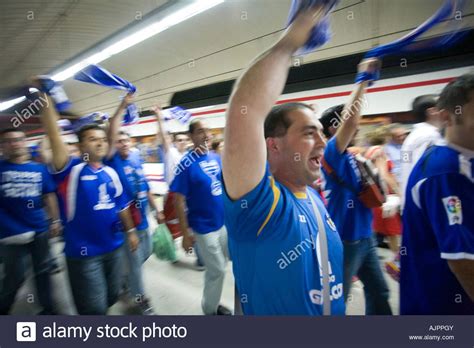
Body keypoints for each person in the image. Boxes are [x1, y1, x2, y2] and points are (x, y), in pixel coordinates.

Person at [222, 5, 346, 315]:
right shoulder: (263, 204)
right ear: (273, 146)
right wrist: (290, 42)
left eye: (321, 132)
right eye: (308, 133)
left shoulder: (314, 198)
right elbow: (243, 111)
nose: (322, 141)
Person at [36, 84, 139, 315]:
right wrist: (44, 95)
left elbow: (121, 206)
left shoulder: (110, 173)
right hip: (83, 255)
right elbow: (53, 133)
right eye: (93, 139)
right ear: (81, 145)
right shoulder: (69, 170)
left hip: (113, 248)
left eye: (102, 139)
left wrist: (130, 231)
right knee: (94, 309)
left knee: (111, 297)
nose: (100, 142)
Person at [400, 74, 474, 314]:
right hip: (444, 307)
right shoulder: (446, 172)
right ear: (446, 117)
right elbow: (461, 260)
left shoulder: (460, 159)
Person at [319, 75, 392, 314]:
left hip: (366, 237)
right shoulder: (332, 153)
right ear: (334, 128)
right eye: (352, 122)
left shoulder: (352, 156)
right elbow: (350, 121)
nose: (358, 126)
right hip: (346, 240)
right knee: (338, 299)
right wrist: (362, 82)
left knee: (379, 291)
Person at [104, 94, 160, 315]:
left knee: (146, 253)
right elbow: (112, 130)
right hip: (126, 220)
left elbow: (145, 186)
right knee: (136, 261)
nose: (123, 143)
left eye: (126, 140)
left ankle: (124, 280)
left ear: (131, 142)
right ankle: (140, 298)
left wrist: (157, 209)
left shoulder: (136, 158)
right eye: (118, 141)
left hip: (143, 216)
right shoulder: (111, 159)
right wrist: (122, 106)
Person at [171, 119, 231, 315]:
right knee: (218, 270)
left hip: (222, 223)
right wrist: (186, 234)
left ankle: (212, 303)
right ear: (191, 136)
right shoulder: (186, 164)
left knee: (222, 266)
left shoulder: (215, 157)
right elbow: (178, 201)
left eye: (208, 130)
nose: (206, 135)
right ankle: (210, 310)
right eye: (200, 132)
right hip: (203, 227)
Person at [0, 128, 62, 314]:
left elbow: (49, 195)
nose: (15, 143)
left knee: (43, 271)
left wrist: (55, 220)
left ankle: (47, 309)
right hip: (10, 233)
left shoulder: (39, 168)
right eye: (9, 141)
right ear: (3, 146)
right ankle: (4, 308)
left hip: (39, 229)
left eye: (19, 139)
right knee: (15, 276)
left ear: (25, 142)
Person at [365, 128, 402, 281]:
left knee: (383, 232)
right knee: (393, 232)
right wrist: (399, 192)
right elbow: (384, 175)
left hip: (378, 199)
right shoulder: (380, 152)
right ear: (386, 138)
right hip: (385, 198)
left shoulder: (369, 151)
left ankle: (395, 261)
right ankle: (397, 263)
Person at [399, 95, 444, 208]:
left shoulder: (413, 136)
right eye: (442, 108)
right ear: (432, 111)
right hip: (425, 202)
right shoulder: (430, 136)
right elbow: (425, 173)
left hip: (413, 199)